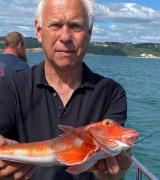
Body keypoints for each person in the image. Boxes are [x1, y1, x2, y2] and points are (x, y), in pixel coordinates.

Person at [0, 0, 131, 180]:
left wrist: (113, 175)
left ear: (89, 33)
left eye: (75, 26)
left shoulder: (112, 92)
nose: (65, 37)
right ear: (38, 31)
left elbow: (112, 165)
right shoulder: (8, 87)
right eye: (55, 25)